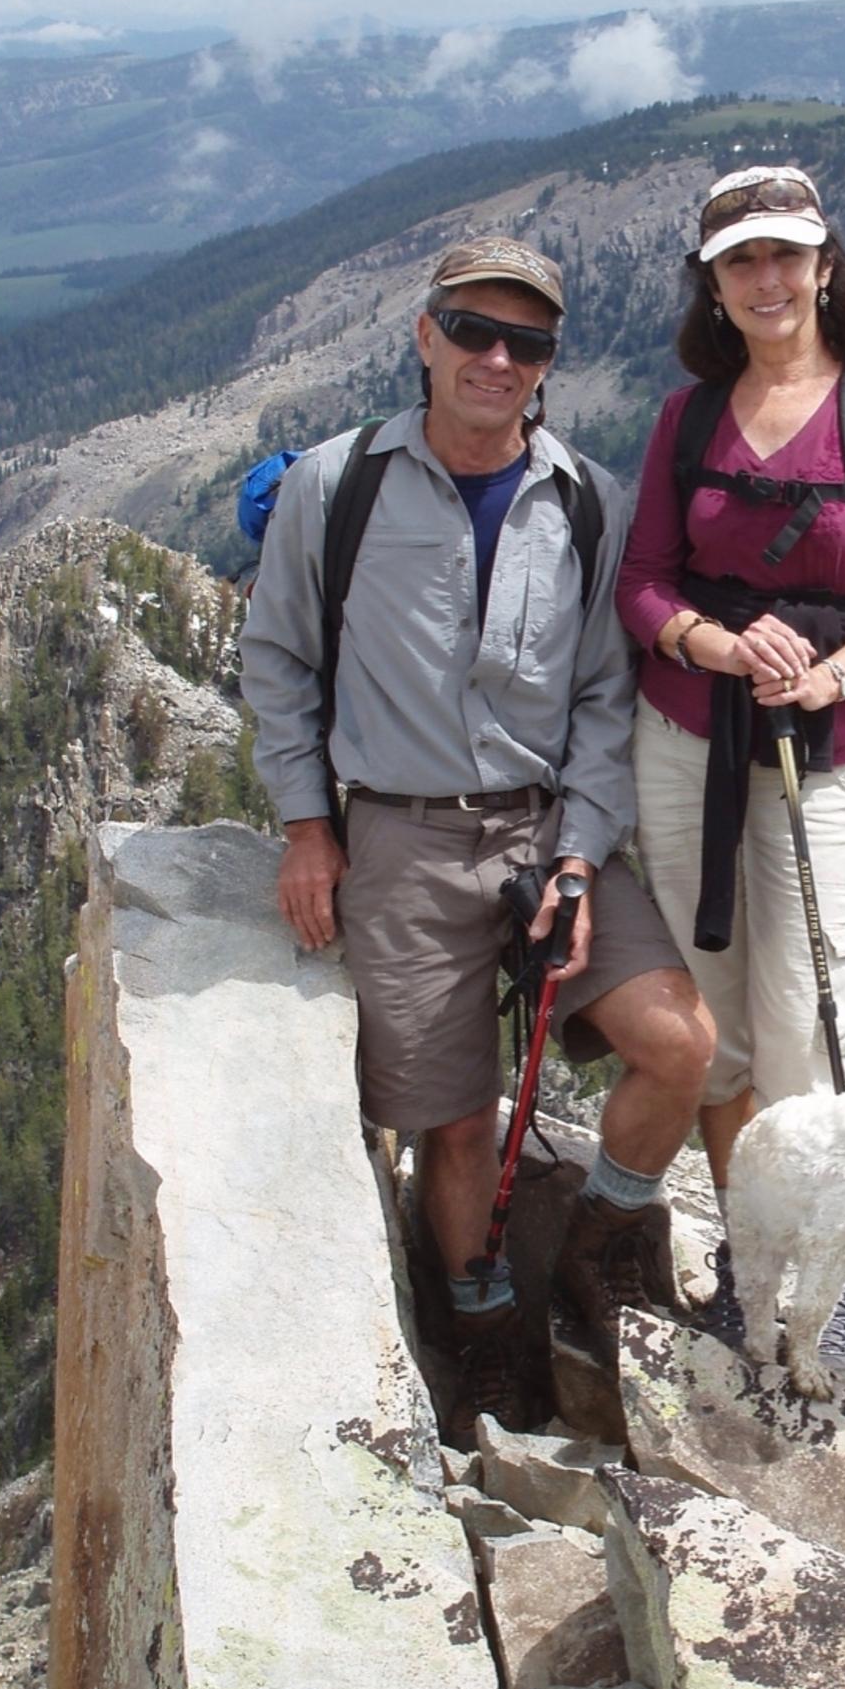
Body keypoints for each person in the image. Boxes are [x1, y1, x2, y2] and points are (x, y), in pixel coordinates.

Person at [240, 236, 714, 1446]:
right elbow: (281, 660)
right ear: (425, 335)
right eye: (473, 330)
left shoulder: (587, 500)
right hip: (399, 837)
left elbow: (605, 696)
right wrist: (306, 824)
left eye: (528, 341)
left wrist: (577, 850)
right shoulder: (335, 486)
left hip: (551, 830)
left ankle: (600, 1244)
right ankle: (488, 1339)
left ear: (551, 361)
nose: (498, 358)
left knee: (681, 1046)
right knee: (452, 1120)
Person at [615, 166, 845, 1382]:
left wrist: (833, 672)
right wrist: (715, 642)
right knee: (715, 1022)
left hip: (826, 750)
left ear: (824, 266)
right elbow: (643, 580)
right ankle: (755, 1267)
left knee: (814, 1010)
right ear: (713, 283)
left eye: (786, 256)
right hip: (687, 738)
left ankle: (832, 1284)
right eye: (740, 260)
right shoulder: (688, 419)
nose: (766, 279)